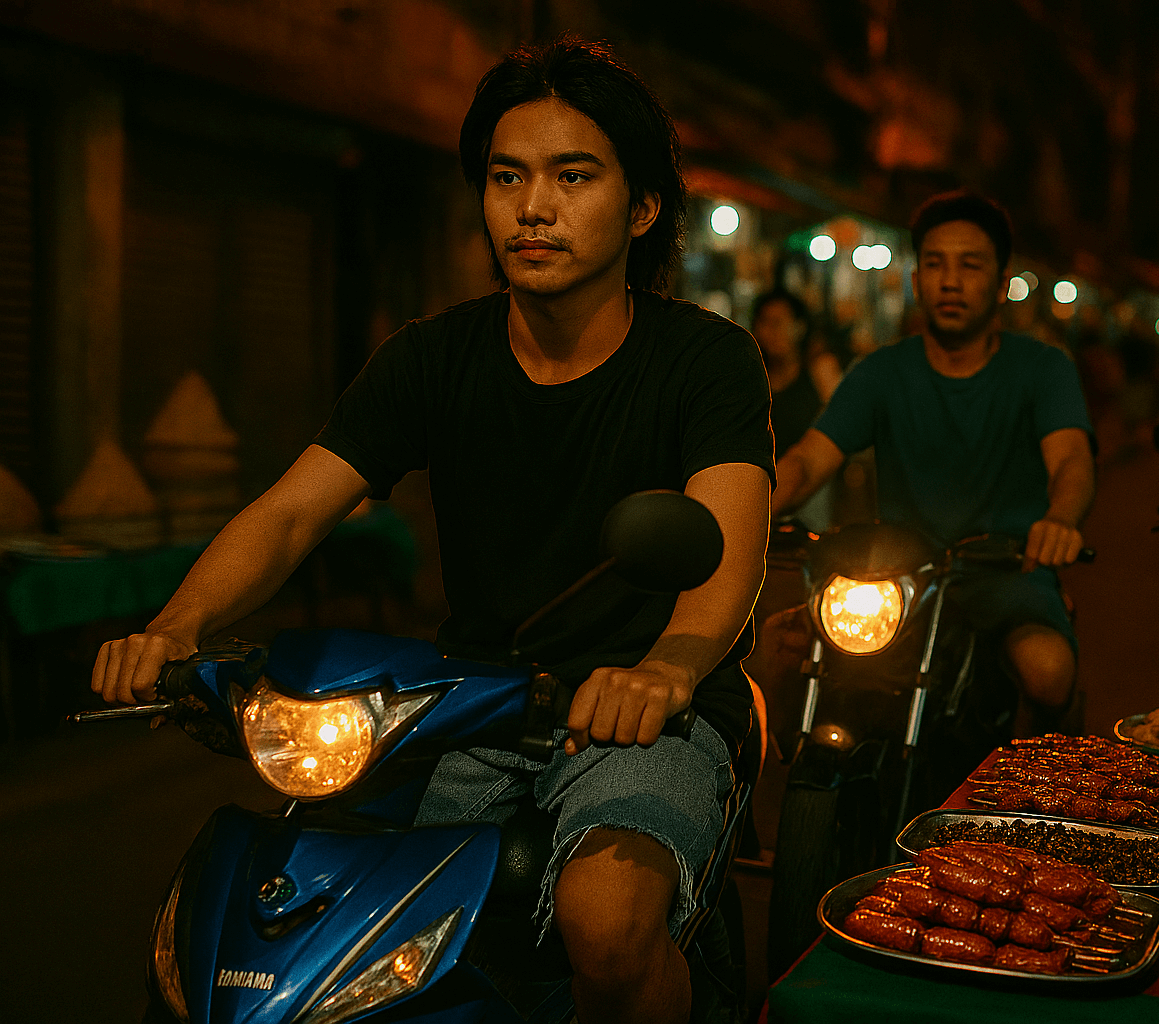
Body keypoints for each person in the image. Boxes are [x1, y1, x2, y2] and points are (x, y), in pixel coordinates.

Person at [91, 38, 773, 1024]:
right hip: (475, 702)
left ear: (641, 207)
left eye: (572, 177)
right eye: (508, 178)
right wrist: (176, 624)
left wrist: (666, 666)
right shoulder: (429, 360)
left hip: (646, 709)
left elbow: (726, 540)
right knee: (328, 918)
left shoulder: (706, 360)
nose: (533, 206)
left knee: (608, 920)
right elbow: (288, 515)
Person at [771, 189, 1096, 736]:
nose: (950, 280)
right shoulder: (880, 372)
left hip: (1008, 572)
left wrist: (1060, 520)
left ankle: (1051, 792)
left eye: (970, 266)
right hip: (898, 579)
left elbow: (1072, 461)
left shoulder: (1043, 369)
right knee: (782, 653)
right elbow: (809, 458)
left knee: (1049, 673)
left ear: (1000, 283)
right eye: (935, 264)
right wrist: (751, 508)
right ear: (916, 280)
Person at [750, 287, 840, 458]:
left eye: (778, 323)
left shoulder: (819, 369)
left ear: (800, 326)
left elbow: (840, 427)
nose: (771, 332)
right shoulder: (752, 377)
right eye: (764, 322)